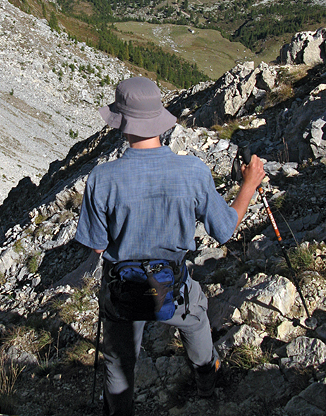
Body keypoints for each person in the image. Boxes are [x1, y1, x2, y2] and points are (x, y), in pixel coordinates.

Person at [75, 76, 265, 415]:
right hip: (173, 283)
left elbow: (98, 247)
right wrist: (248, 185)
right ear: (159, 120)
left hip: (122, 287)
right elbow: (224, 230)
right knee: (195, 317)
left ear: (121, 123)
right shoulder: (192, 171)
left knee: (119, 360)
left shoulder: (102, 178)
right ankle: (206, 379)